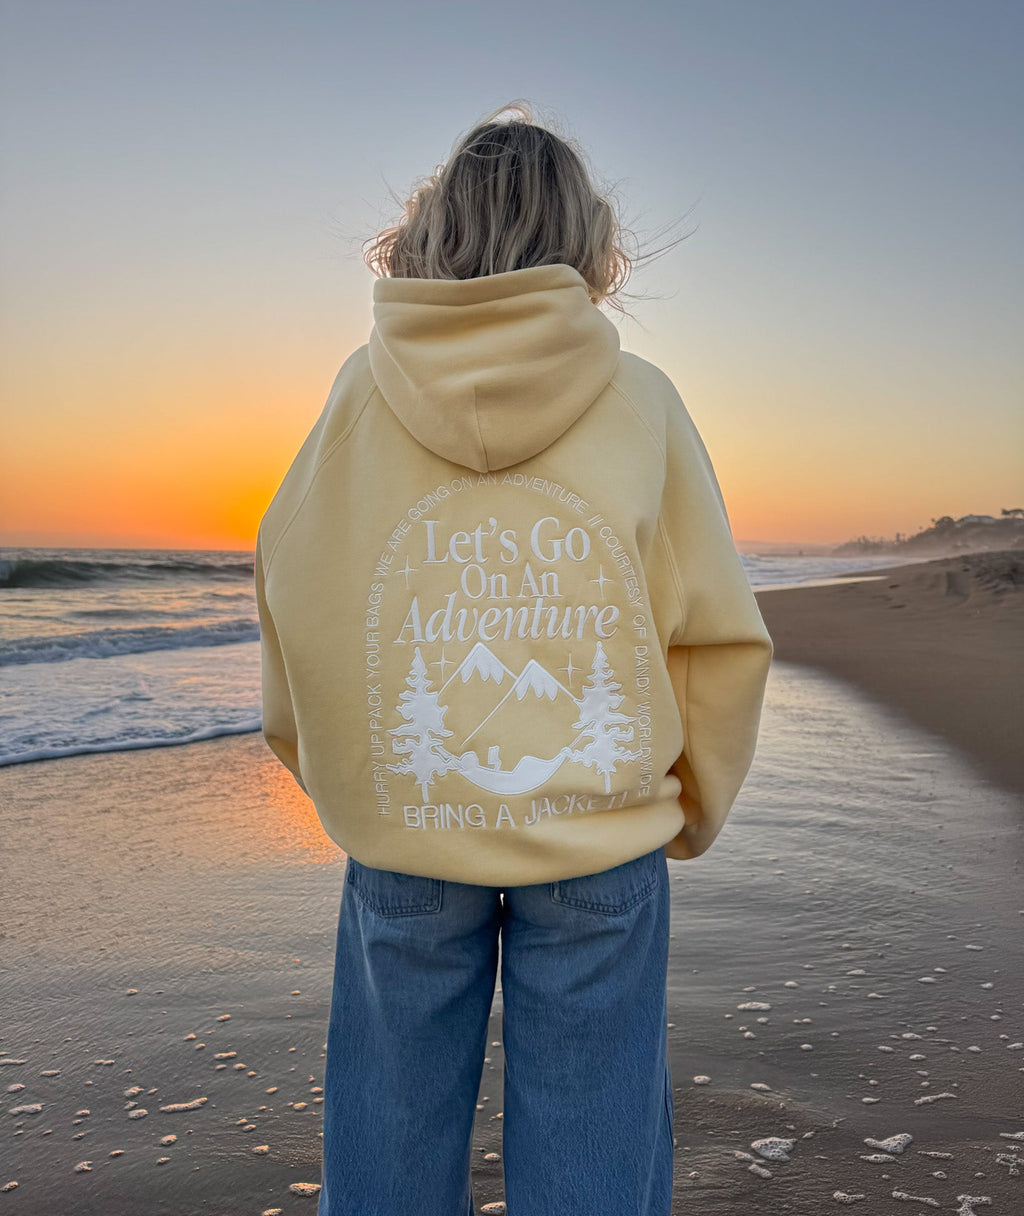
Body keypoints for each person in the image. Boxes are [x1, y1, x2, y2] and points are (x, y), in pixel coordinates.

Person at [255, 101, 773, 1216]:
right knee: (594, 1135)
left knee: (387, 1128)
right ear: (587, 243)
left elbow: (293, 585)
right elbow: (714, 628)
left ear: (429, 232)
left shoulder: (361, 389)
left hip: (406, 828)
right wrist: (682, 803)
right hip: (600, 836)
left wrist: (340, 777)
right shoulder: (641, 401)